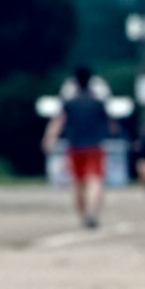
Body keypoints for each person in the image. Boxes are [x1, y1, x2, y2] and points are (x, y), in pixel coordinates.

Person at [53, 76, 116, 230]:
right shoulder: (98, 103)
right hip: (95, 146)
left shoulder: (69, 103)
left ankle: (83, 216)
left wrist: (50, 138)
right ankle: (92, 213)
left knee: (78, 183)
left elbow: (59, 121)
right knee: (95, 180)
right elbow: (111, 124)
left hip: (74, 146)